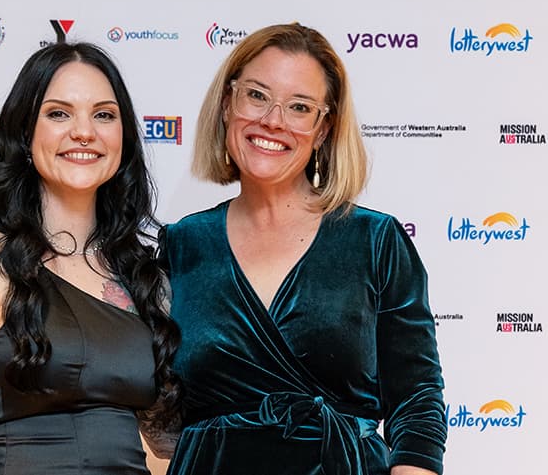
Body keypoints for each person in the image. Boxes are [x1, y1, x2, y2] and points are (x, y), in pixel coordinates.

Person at [158, 24, 446, 475]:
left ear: (324, 127)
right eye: (257, 95)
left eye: (299, 107)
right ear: (228, 101)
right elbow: (158, 413)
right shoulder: (180, 245)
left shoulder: (375, 241)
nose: (273, 120)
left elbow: (417, 400)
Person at [0, 42, 180, 475]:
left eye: (104, 115)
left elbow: (162, 445)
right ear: (25, 133)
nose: (84, 131)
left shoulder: (144, 276)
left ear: (123, 137)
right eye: (59, 113)